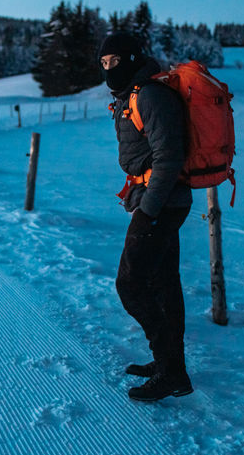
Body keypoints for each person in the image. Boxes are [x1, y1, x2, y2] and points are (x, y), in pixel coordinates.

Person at [99, 32, 194, 401]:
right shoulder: (133, 96)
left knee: (131, 284)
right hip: (157, 200)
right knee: (163, 284)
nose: (109, 69)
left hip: (161, 203)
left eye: (115, 62)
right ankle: (172, 368)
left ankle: (170, 369)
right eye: (104, 64)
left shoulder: (151, 96)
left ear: (133, 59)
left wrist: (148, 211)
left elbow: (169, 158)